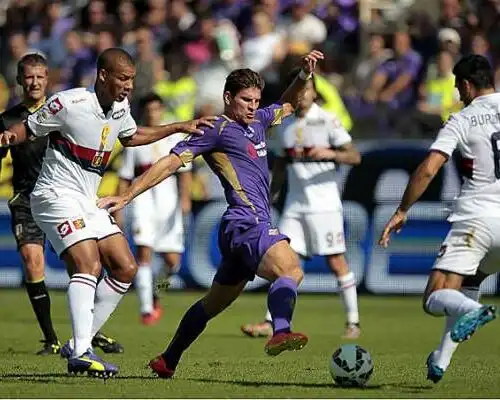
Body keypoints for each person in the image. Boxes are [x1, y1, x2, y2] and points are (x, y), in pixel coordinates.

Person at [98, 50, 325, 379]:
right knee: (291, 269)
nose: (252, 106)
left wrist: (304, 76)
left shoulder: (259, 120)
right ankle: (280, 331)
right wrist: (128, 195)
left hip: (240, 229)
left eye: (256, 100)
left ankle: (168, 359)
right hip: (246, 222)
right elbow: (170, 162)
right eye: (246, 99)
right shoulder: (215, 129)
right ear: (228, 97)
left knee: (212, 304)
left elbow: (289, 103)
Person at [0, 48, 215, 378]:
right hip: (54, 195)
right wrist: (6, 136)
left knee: (126, 267)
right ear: (103, 75)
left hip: (88, 198)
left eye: (131, 79)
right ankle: (83, 352)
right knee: (89, 263)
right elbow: (27, 128)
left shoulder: (120, 108)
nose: (129, 85)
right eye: (124, 78)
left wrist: (177, 127)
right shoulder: (68, 103)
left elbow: (131, 137)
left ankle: (77, 343)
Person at [379, 54, 498, 384]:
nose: (459, 95)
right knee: (468, 284)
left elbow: (429, 168)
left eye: (459, 87)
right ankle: (440, 361)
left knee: (434, 297)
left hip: (478, 219)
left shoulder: (462, 119)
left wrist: (402, 209)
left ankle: (473, 313)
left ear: (468, 85)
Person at [0, 52, 123, 356]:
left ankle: (91, 333)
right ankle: (51, 338)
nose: (35, 82)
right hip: (26, 199)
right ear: (19, 81)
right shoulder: (8, 120)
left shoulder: (64, 109)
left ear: (48, 80)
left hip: (65, 197)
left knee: (82, 267)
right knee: (33, 261)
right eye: (29, 77)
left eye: (41, 77)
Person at [241, 68, 362, 340]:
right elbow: (282, 165)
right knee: (281, 261)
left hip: (324, 205)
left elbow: (354, 156)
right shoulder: (285, 125)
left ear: (315, 93)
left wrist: (331, 153)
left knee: (335, 263)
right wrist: (269, 196)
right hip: (294, 206)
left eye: (307, 90)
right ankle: (272, 322)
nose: (303, 95)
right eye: (299, 90)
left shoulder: (328, 121)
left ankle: (353, 322)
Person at [116, 92, 192, 325]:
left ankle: (157, 292)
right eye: (149, 110)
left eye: (156, 109)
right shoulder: (135, 139)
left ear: (161, 110)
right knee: (144, 254)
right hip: (143, 202)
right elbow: (125, 177)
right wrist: (119, 207)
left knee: (172, 262)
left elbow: (185, 172)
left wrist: (185, 198)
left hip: (168, 204)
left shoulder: (173, 138)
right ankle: (146, 309)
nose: (153, 113)